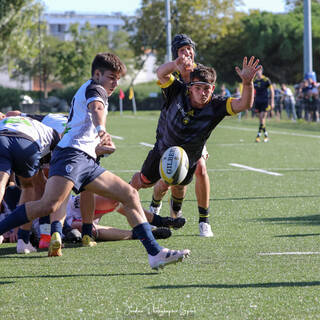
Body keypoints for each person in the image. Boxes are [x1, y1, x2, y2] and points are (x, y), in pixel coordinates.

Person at [0, 52, 190, 270]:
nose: (115, 83)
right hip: (70, 155)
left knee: (129, 194)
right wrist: (102, 130)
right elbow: (96, 109)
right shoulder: (95, 88)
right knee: (48, 204)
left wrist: (97, 144)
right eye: (112, 77)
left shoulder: (95, 89)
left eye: (118, 79)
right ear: (97, 74)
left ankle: (155, 253)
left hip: (85, 160)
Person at [131, 55, 261, 244]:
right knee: (142, 180)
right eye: (198, 88)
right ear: (190, 88)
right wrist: (175, 65)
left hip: (187, 158)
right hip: (162, 150)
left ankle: (186, 217)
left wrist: (247, 83)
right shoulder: (177, 90)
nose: (202, 93)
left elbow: (244, 104)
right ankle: (116, 200)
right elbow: (161, 73)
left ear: (213, 89)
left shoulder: (216, 105)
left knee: (178, 186)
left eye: (206, 89)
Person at [132, 34, 214, 237]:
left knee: (199, 170)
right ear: (176, 55)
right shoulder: (173, 77)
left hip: (194, 137)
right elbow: (160, 72)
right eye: (181, 50)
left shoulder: (200, 75)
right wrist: (176, 65)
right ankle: (140, 202)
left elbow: (210, 104)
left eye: (189, 49)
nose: (186, 53)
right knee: (151, 181)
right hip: (167, 136)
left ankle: (203, 221)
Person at [0, 115, 61, 253]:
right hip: (26, 142)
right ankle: (27, 239)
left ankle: (26, 239)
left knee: (2, 185)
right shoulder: (54, 136)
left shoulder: (19, 119)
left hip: (1, 138)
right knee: (34, 188)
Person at [253, 67, 274, 142]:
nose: (257, 72)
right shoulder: (254, 80)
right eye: (256, 71)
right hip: (257, 102)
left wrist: (272, 102)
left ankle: (258, 136)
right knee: (261, 120)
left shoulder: (266, 80)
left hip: (265, 102)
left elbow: (272, 91)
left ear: (261, 71)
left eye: (259, 71)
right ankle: (266, 135)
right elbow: (252, 91)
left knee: (262, 118)